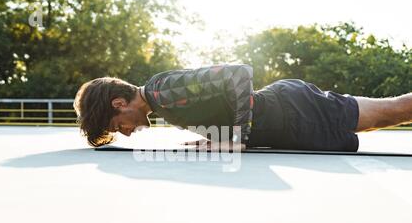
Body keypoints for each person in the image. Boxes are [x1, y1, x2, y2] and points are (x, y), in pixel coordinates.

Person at [73, 64, 412, 151]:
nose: (126, 132)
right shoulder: (162, 102)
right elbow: (217, 103)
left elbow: (237, 74)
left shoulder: (163, 90)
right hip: (290, 116)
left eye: (118, 126)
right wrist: (218, 137)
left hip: (295, 111)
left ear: (119, 104)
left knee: (394, 110)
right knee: (389, 114)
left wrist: (235, 138)